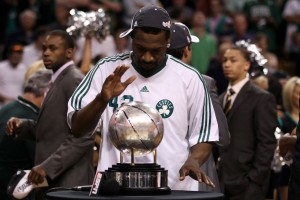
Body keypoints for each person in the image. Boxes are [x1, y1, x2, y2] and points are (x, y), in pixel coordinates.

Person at [67, 6, 219, 191]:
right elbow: (77, 128)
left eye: (156, 51)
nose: (147, 57)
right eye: (140, 49)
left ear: (168, 41)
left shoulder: (189, 77)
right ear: (131, 38)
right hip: (116, 189)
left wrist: (194, 161)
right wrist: (101, 100)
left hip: (174, 187)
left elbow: (204, 134)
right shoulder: (106, 69)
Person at [6, 30, 95, 199]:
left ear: (69, 52)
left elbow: (84, 136)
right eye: (44, 48)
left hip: (69, 183)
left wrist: (47, 167)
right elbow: (54, 130)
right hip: (55, 181)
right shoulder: (58, 78)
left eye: (53, 48)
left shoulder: (73, 79)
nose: (46, 52)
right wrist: (23, 126)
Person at [166, 22, 230, 192]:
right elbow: (222, 136)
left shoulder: (143, 81)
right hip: (194, 177)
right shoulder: (203, 82)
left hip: (155, 176)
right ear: (186, 50)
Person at [219, 42, 277, 199]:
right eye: (224, 60)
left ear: (246, 65)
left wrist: (254, 180)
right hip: (220, 182)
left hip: (247, 185)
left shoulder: (262, 98)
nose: (227, 64)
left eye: (233, 60)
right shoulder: (220, 98)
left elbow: (267, 143)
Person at [0, 70, 52, 200]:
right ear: (45, 93)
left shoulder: (6, 109)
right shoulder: (31, 119)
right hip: (18, 191)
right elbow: (41, 164)